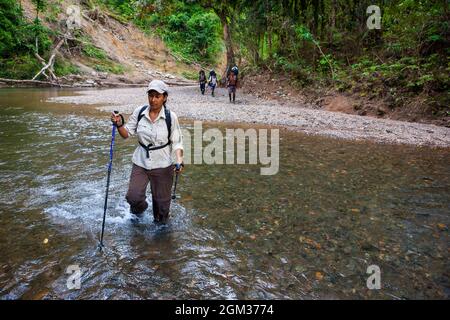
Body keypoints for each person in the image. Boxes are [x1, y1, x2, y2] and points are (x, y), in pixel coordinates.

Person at [110, 80, 184, 224]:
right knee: (133, 198)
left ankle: (160, 240)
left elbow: (177, 142)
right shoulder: (140, 112)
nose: (153, 99)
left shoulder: (171, 117)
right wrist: (119, 124)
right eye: (151, 95)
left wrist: (179, 161)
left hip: (163, 164)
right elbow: (126, 134)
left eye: (157, 96)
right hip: (141, 162)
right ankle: (140, 211)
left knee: (162, 213)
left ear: (165, 97)